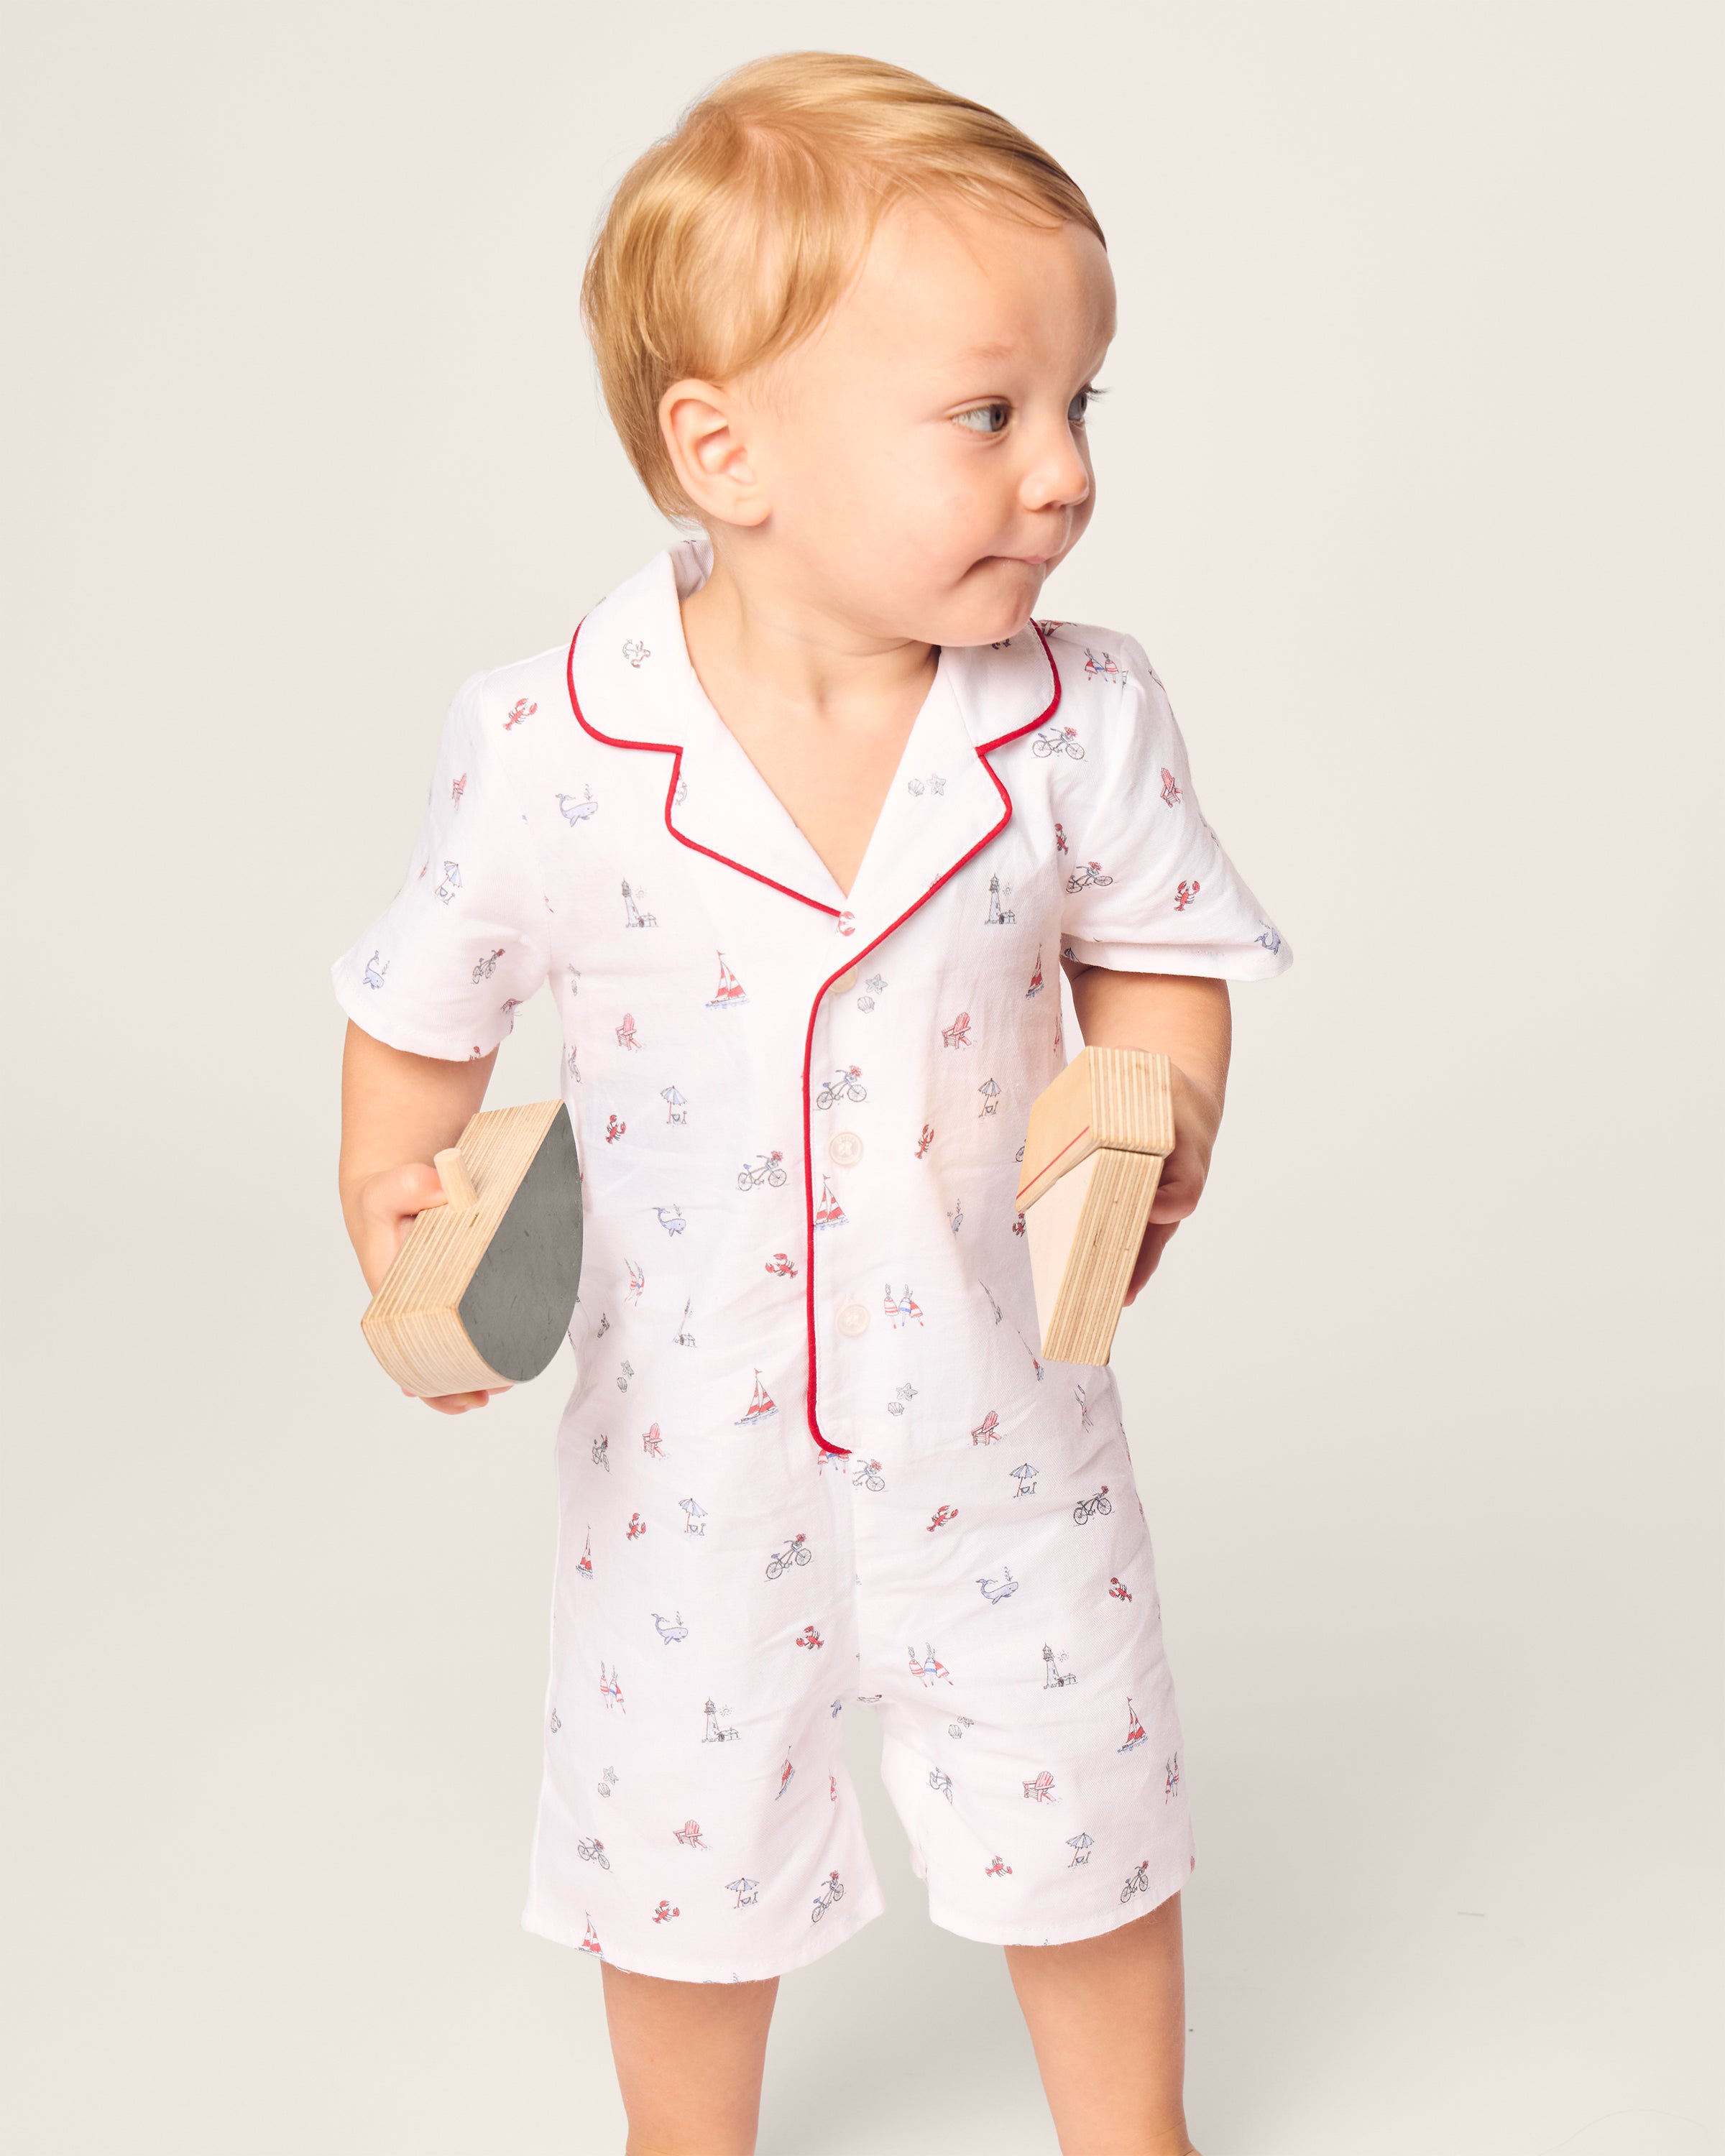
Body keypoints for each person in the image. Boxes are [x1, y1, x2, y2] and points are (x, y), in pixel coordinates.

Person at [332, 51, 1291, 2156]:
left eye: (1077, 408)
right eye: (988, 414)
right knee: (680, 1830)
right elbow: (422, 1011)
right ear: (725, 446)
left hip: (1000, 1413)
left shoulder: (1077, 719)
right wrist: (398, 1214)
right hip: (696, 1436)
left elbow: (1163, 950)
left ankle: (1134, 2136)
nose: (1061, 475)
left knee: (1090, 1786)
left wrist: (1162, 1110)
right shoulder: (549, 742)